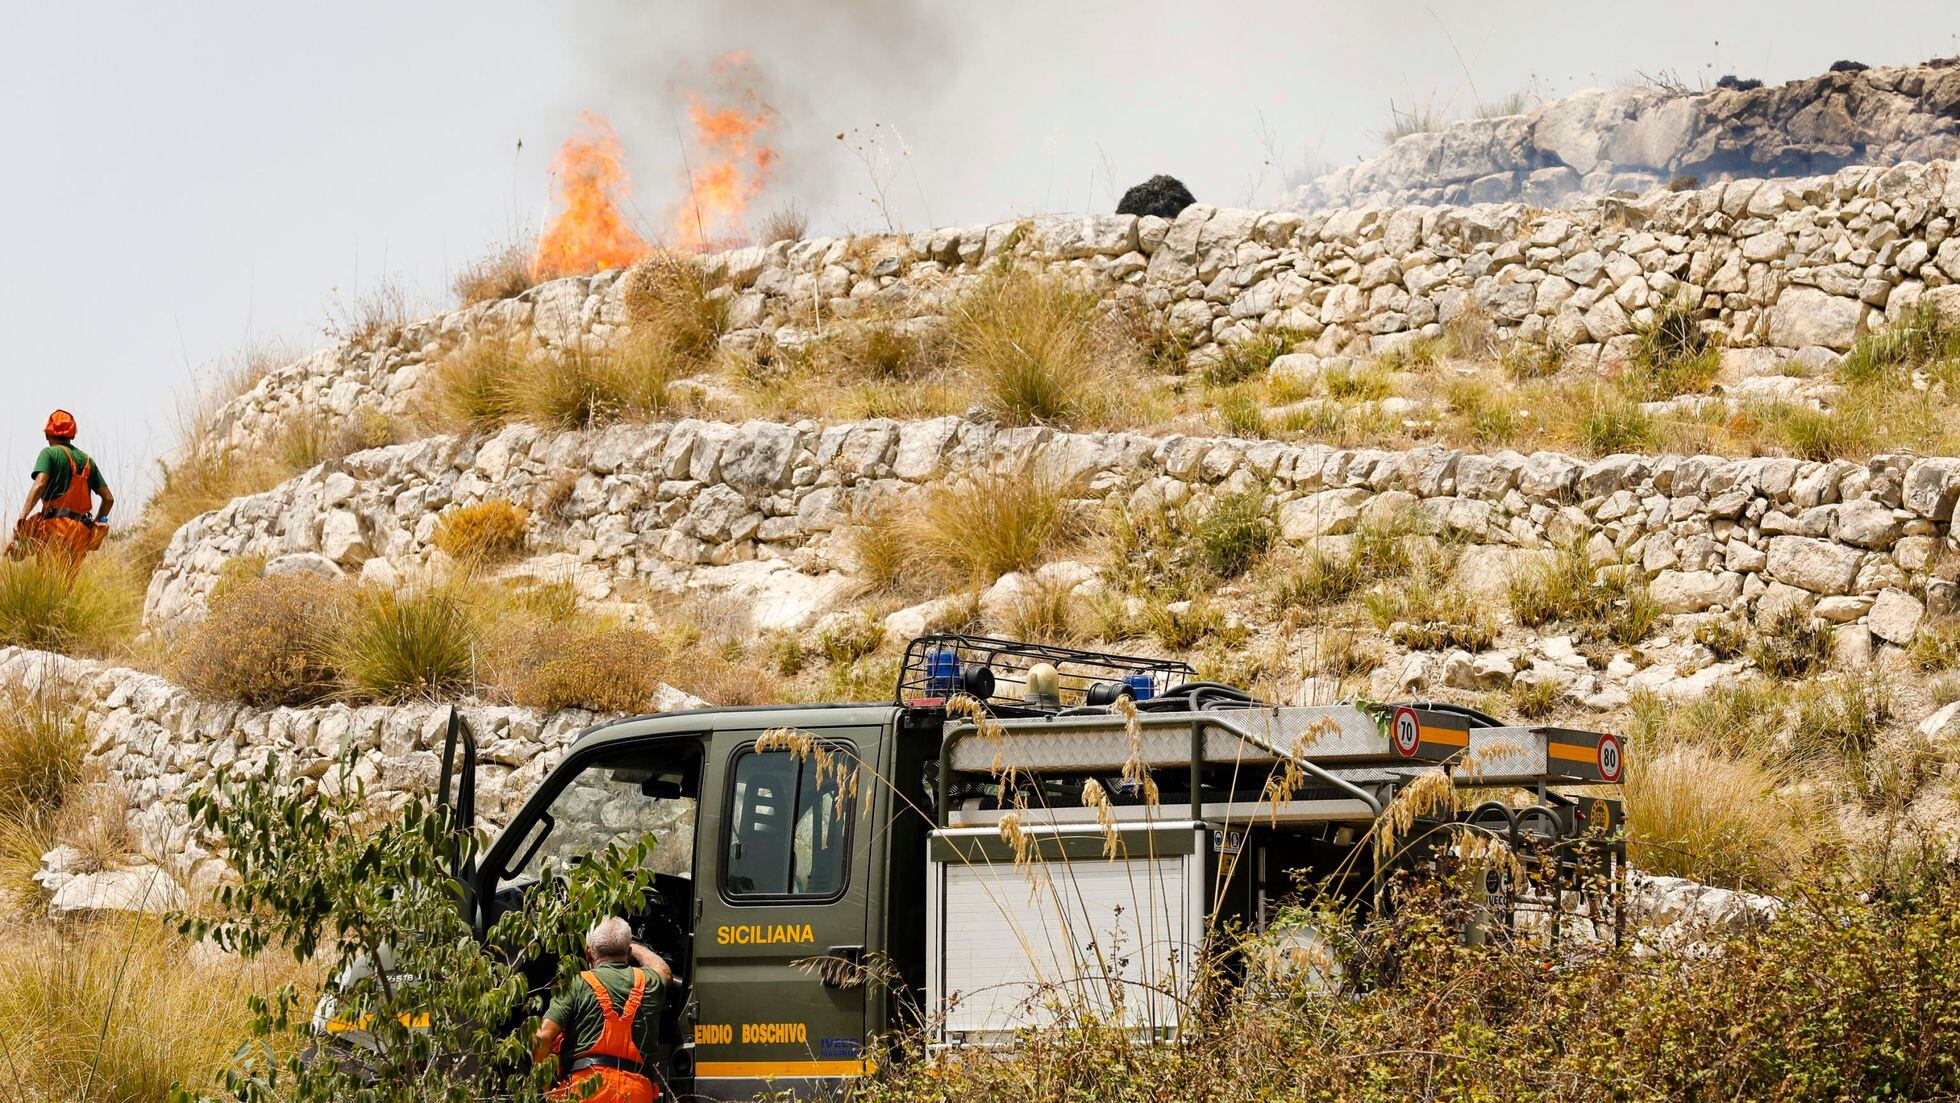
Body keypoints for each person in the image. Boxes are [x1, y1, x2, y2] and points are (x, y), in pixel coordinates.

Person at [534, 916, 672, 1103]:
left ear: (588, 954)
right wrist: (635, 947)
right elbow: (663, 970)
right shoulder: (649, 982)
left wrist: (546, 1089)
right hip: (636, 1092)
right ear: (628, 951)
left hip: (585, 1089)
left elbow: (542, 1037)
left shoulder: (576, 982)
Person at [12, 410, 113, 566]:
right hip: (81, 532)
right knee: (67, 586)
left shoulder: (49, 454)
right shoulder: (88, 461)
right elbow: (108, 499)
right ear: (72, 434)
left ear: (47, 434)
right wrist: (97, 522)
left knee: (46, 583)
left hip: (55, 528)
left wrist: (23, 516)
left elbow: (39, 485)